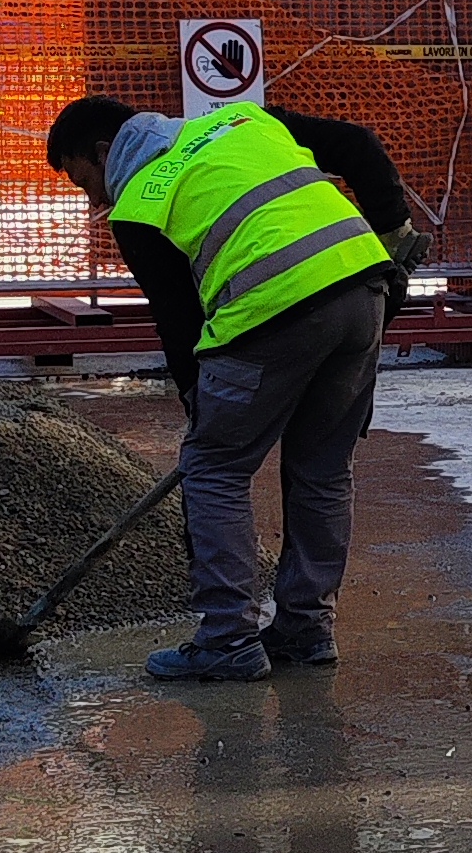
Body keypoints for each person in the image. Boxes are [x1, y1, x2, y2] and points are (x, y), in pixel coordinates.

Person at [44, 85, 415, 685]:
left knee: (215, 468)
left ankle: (228, 641)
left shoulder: (140, 200)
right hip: (362, 288)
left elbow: (179, 318)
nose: (95, 200)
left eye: (86, 182)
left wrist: (201, 411)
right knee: (322, 469)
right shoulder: (243, 122)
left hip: (272, 307)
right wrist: (393, 234)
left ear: (105, 149)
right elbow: (357, 144)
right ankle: (306, 629)